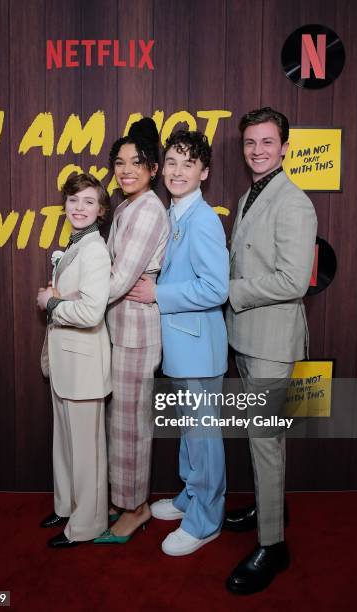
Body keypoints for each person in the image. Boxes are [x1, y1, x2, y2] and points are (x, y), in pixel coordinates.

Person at [225, 107, 317, 593]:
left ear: (284, 146)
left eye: (266, 142)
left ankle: (273, 545)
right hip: (245, 338)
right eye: (250, 143)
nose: (257, 151)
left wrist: (231, 291)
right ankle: (268, 506)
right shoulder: (248, 195)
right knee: (261, 439)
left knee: (265, 441)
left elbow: (291, 279)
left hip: (271, 343)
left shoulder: (294, 202)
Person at [126, 130, 229, 556]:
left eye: (188, 164)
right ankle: (190, 497)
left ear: (204, 172)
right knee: (189, 432)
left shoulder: (202, 219)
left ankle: (207, 519)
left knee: (203, 438)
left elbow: (216, 288)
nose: (177, 171)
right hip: (182, 348)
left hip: (199, 351)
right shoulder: (173, 214)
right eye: (172, 162)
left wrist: (158, 295)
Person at [93, 118, 170, 544]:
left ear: (153, 169)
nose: (125, 170)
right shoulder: (125, 206)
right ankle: (123, 498)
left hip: (137, 334)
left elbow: (118, 280)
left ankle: (137, 508)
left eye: (136, 163)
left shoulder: (148, 210)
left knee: (131, 425)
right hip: (118, 328)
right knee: (119, 420)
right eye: (119, 163)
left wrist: (75, 301)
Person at [37, 173, 112, 548]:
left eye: (87, 202)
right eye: (73, 200)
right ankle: (66, 507)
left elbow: (92, 312)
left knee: (85, 453)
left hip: (83, 364)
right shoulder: (75, 244)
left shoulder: (96, 250)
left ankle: (87, 525)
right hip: (66, 362)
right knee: (64, 444)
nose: (78, 208)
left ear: (101, 210)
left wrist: (50, 303)